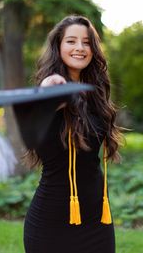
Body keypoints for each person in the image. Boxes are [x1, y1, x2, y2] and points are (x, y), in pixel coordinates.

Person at [23, 15, 121, 253]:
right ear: (58, 46)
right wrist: (47, 93)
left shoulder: (95, 95)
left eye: (86, 42)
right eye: (71, 41)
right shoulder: (53, 90)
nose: (80, 48)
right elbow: (33, 126)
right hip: (51, 222)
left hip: (97, 220)